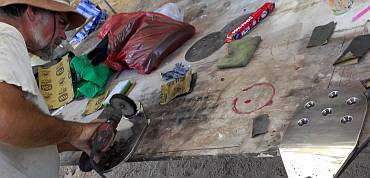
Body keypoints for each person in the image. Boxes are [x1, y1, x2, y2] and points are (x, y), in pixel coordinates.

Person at [0, 0, 111, 177]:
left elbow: (16, 138)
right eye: (61, 23)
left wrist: (72, 140)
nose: (64, 36)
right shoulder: (5, 37)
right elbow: (4, 120)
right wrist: (77, 131)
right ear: (32, 12)